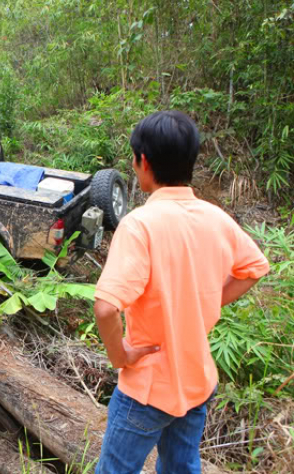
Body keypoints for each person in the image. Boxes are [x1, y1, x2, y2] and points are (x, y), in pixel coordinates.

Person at [93, 111, 270, 473]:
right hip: (196, 381)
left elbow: (106, 308)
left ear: (142, 162)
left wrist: (121, 356)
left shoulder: (140, 225)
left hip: (147, 388)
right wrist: (205, 301)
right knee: (182, 467)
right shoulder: (215, 217)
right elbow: (255, 267)